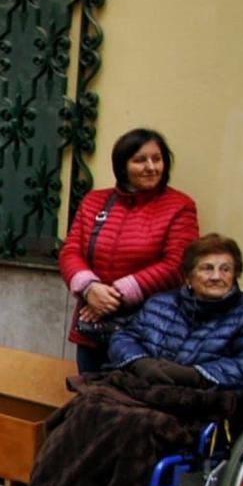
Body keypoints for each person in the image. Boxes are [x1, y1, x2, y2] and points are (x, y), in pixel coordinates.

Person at [2, 234, 243, 486]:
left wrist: (195, 374)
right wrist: (139, 361)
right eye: (206, 268)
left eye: (225, 269)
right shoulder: (163, 304)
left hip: (192, 408)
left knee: (138, 428)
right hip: (140, 390)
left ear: (235, 275)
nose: (216, 276)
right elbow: (124, 336)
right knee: (85, 411)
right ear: (188, 275)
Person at [58, 127, 199, 374]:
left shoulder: (179, 206)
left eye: (157, 159)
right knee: (88, 401)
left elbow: (177, 264)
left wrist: (112, 296)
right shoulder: (94, 201)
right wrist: (89, 288)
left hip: (146, 332)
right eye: (140, 160)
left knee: (128, 407)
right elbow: (70, 252)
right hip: (94, 327)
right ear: (122, 166)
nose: (151, 167)